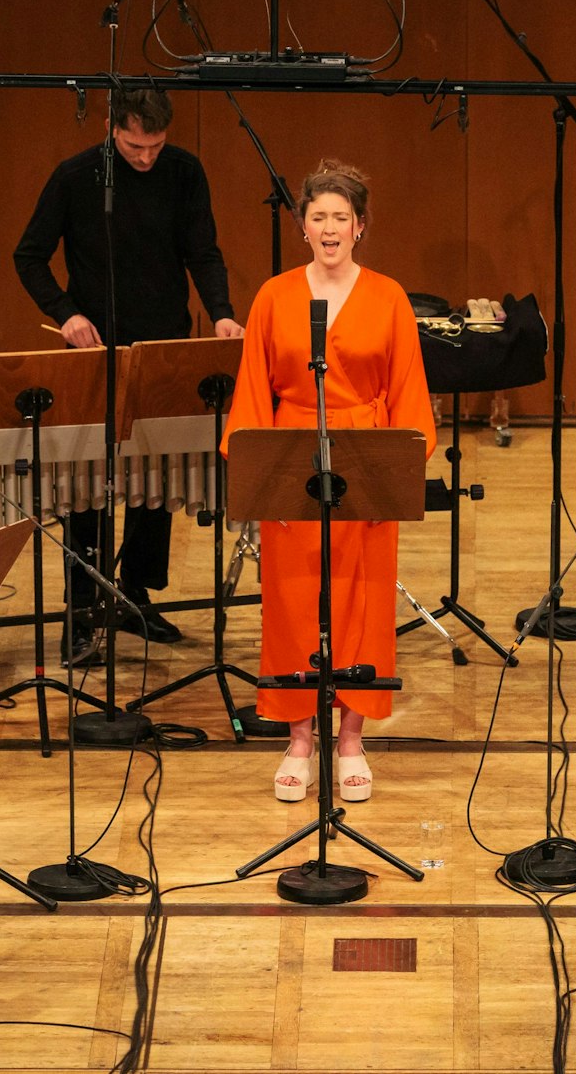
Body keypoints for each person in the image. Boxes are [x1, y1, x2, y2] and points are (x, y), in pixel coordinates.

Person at [223, 160, 434, 802]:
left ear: (360, 226)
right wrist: (261, 477)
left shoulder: (390, 296)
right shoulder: (273, 295)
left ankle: (350, 739)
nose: (331, 228)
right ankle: (298, 739)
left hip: (364, 456)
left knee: (360, 603)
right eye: (319, 217)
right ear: (303, 229)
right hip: (292, 453)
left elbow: (408, 392)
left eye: (342, 217)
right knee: (290, 599)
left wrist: (396, 469)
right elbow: (255, 391)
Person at [14, 86, 243, 664]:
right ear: (114, 129)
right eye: (134, 146)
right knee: (89, 486)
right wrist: (66, 314)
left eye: (155, 145)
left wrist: (220, 313)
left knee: (154, 476)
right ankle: (83, 607)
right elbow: (29, 255)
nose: (145, 157)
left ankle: (133, 594)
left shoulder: (185, 173)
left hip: (164, 343)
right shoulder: (76, 176)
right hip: (94, 350)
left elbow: (203, 252)